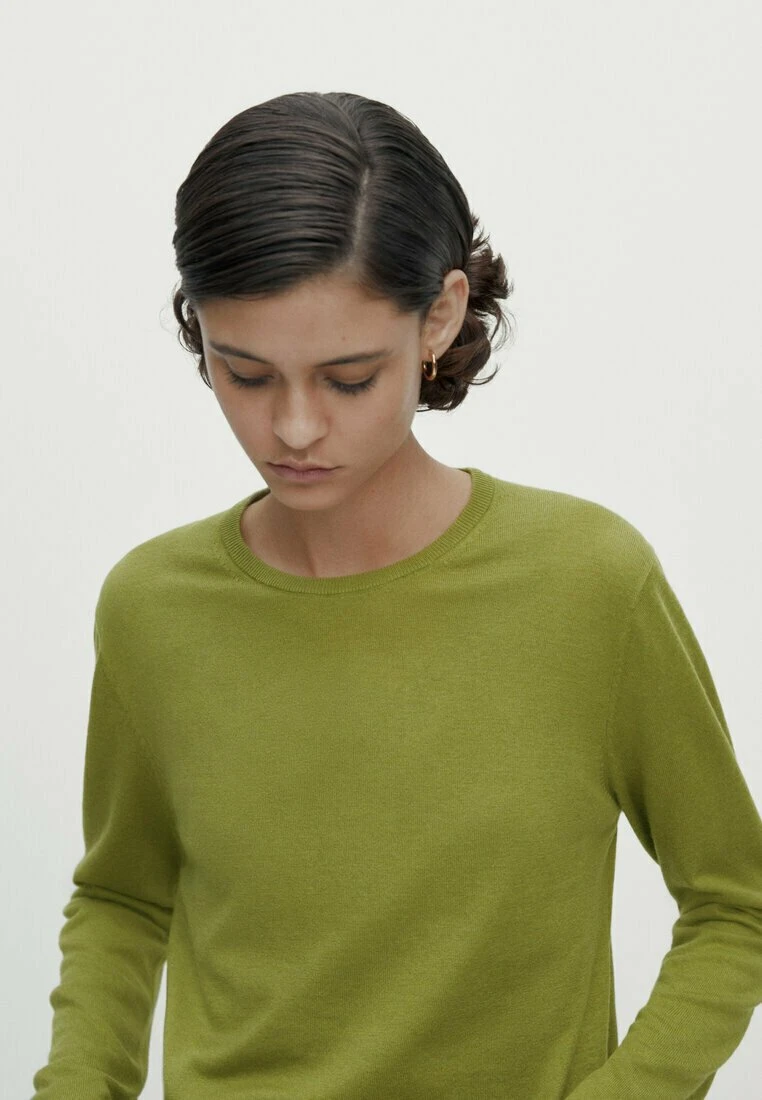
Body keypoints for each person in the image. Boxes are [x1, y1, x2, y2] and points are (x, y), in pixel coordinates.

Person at [31, 91, 762, 1099]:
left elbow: (735, 904)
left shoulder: (590, 585)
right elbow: (124, 899)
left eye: (348, 378)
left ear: (440, 317)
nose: (294, 428)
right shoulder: (154, 608)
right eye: (245, 374)